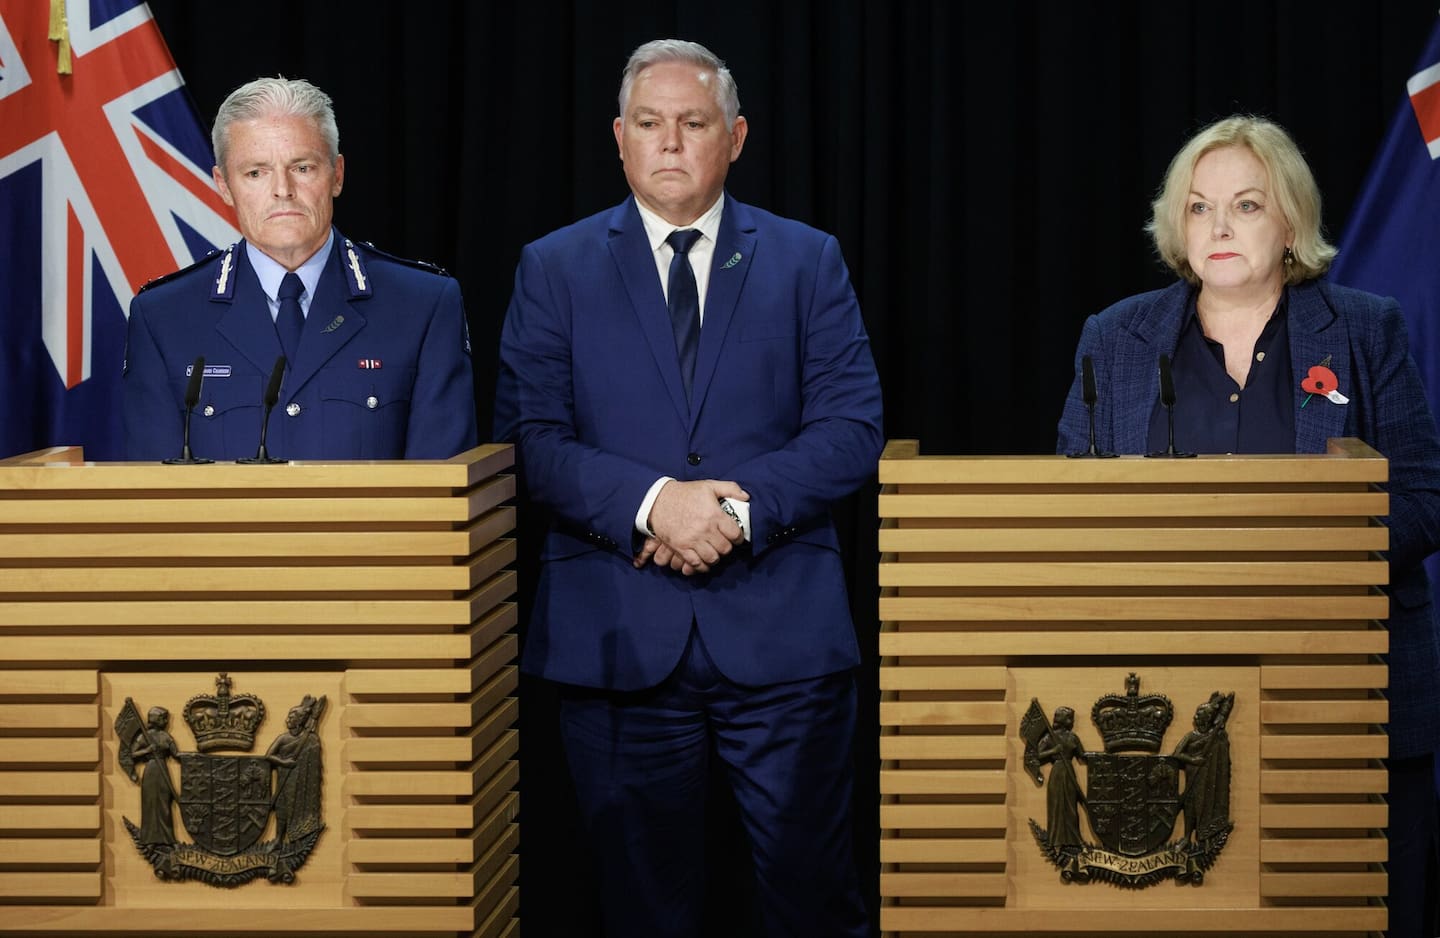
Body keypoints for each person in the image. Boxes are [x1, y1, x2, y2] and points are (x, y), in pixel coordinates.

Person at [494, 38, 882, 938]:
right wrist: (655, 501)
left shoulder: (806, 259)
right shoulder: (553, 268)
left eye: (694, 123)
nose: (671, 143)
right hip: (617, 641)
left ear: (735, 137)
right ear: (619, 138)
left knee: (812, 900)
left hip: (783, 641)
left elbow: (852, 429)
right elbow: (530, 440)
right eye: (651, 124)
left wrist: (732, 512)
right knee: (641, 909)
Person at [1057, 114, 1440, 938]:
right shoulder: (1114, 340)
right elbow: (1072, 509)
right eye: (1199, 208)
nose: (1219, 228)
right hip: (1172, 698)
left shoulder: (1366, 330)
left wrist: (1307, 558)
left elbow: (1421, 496)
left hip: (1345, 690)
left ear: (1291, 221)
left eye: (1246, 206)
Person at [122, 77, 476, 461]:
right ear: (224, 186)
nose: (283, 190)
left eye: (302, 167)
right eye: (256, 173)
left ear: (336, 174)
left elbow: (442, 493)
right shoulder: (164, 317)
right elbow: (151, 497)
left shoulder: (422, 305)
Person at [130, 706, 178, 846]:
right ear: (157, 719)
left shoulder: (166, 736)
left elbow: (176, 754)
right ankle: (149, 839)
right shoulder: (144, 736)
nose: (166, 721)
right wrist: (147, 750)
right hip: (151, 770)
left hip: (162, 769)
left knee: (164, 803)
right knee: (150, 803)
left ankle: (167, 838)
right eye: (164, 718)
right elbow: (133, 754)